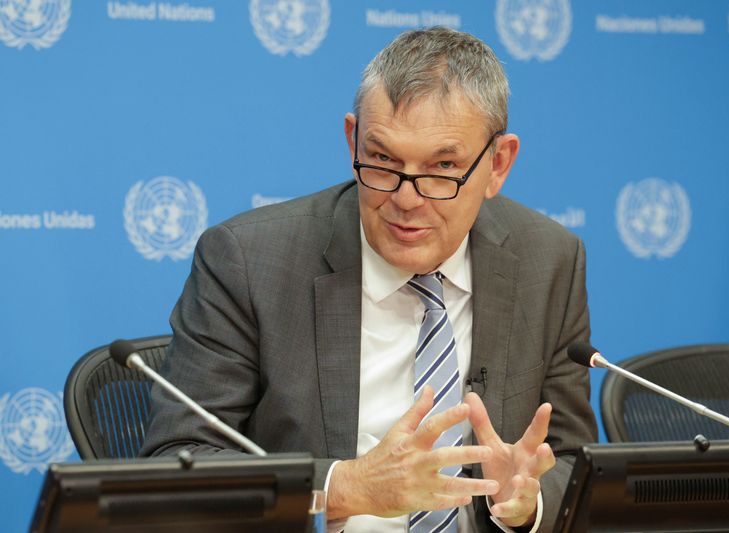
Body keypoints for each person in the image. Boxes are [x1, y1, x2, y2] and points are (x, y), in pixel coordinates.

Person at [140, 27, 597, 532]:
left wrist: (528, 502)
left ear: (498, 164)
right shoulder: (249, 261)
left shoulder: (548, 260)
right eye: (382, 161)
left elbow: (574, 463)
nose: (405, 198)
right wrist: (342, 487)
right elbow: (178, 460)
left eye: (442, 168)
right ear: (352, 139)